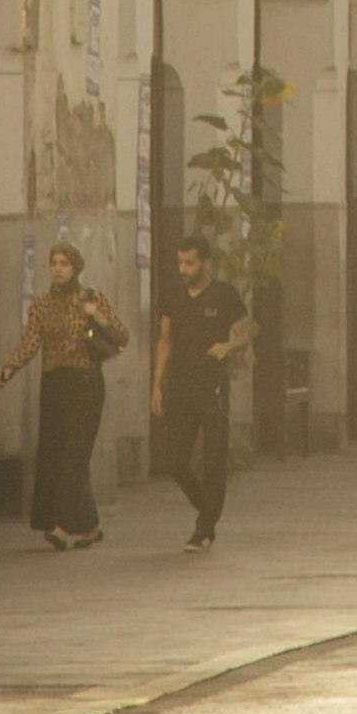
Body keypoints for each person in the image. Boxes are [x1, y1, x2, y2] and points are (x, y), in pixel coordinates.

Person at [0, 238, 123, 547]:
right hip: (54, 383)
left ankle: (63, 526)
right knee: (54, 454)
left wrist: (98, 317)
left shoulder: (91, 297)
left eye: (64, 264)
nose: (58, 269)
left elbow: (122, 336)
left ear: (76, 267)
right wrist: (10, 368)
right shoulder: (41, 303)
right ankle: (90, 526)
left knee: (75, 454)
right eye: (54, 263)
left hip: (86, 383)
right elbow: (31, 341)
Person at [152, 229, 250, 550]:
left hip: (212, 387)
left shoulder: (224, 295)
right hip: (180, 385)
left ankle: (203, 527)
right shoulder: (171, 296)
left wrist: (228, 346)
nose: (184, 269)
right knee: (175, 460)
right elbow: (164, 340)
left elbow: (244, 336)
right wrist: (157, 385)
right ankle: (207, 508)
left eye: (190, 263)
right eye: (180, 263)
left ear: (205, 263)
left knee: (213, 460)